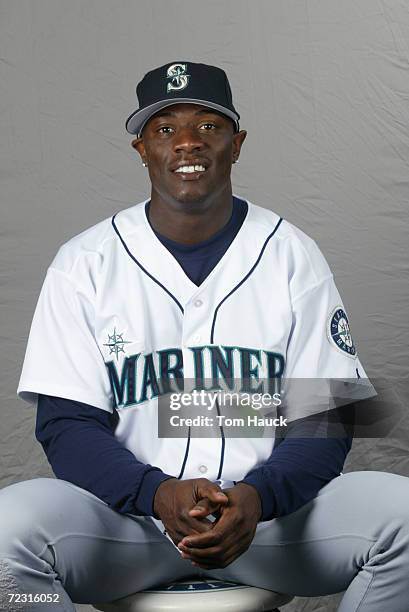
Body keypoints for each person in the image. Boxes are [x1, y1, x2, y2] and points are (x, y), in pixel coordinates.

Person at [0, 61, 408, 612]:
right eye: (165, 128)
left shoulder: (290, 253)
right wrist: (154, 492)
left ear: (236, 144)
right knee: (6, 538)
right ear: (141, 149)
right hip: (129, 529)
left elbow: (325, 418)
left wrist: (259, 498)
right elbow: (67, 423)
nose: (187, 142)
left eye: (209, 126)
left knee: (404, 519)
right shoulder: (85, 264)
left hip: (269, 526)